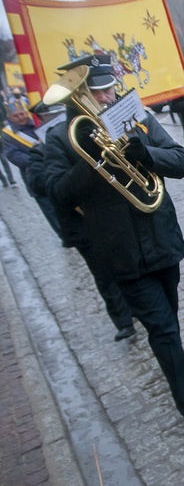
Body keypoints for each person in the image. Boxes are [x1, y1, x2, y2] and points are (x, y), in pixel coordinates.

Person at [43, 54, 184, 440]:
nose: (104, 98)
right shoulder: (61, 137)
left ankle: (177, 364)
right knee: (163, 330)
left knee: (170, 321)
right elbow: (56, 194)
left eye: (107, 89)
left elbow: (180, 162)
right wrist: (93, 159)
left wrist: (144, 153)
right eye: (95, 92)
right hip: (120, 252)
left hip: (161, 238)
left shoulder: (137, 118)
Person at [25, 100, 136, 342]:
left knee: (125, 262)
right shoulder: (37, 150)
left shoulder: (78, 138)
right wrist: (55, 166)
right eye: (47, 117)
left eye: (55, 114)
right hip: (80, 225)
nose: (52, 120)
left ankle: (136, 304)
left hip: (106, 216)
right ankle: (123, 321)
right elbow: (37, 185)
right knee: (103, 273)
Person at [1, 98, 62, 237]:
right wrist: (39, 161)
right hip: (34, 174)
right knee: (49, 208)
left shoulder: (37, 122)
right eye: (16, 116)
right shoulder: (7, 134)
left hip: (54, 168)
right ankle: (63, 235)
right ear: (9, 117)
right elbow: (13, 156)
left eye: (22, 113)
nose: (21, 117)